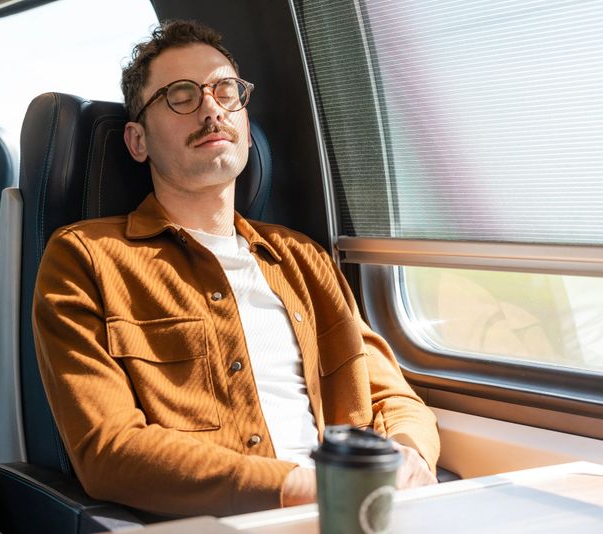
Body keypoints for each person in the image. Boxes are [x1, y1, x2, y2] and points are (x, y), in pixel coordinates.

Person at [33, 19, 440, 517]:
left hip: (353, 511)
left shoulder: (303, 260)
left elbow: (392, 397)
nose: (210, 108)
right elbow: (109, 450)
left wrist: (408, 455)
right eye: (180, 96)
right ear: (137, 141)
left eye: (226, 91)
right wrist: (303, 487)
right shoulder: (86, 258)